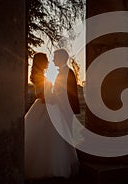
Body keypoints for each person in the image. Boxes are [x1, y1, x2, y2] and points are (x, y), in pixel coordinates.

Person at [24, 52, 79, 180]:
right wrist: (53, 98)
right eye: (47, 60)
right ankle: (49, 165)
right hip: (46, 106)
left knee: (52, 136)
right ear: (42, 62)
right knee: (49, 136)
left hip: (53, 107)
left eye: (51, 59)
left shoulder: (52, 74)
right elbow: (41, 95)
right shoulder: (40, 77)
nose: (50, 61)